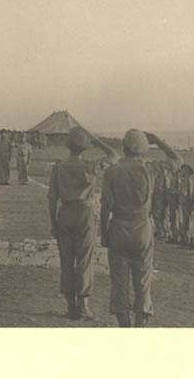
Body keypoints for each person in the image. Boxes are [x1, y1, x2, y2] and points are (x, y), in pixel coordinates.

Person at [100, 130, 182, 327]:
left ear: (124, 147)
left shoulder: (112, 172)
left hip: (118, 227)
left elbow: (105, 207)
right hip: (142, 228)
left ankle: (124, 325)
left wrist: (104, 233)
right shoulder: (151, 169)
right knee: (143, 281)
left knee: (119, 282)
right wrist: (158, 141)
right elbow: (177, 160)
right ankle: (140, 324)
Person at [48, 126, 119, 321]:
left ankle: (70, 306)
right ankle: (83, 305)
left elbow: (51, 199)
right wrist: (96, 140)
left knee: (66, 261)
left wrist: (53, 223)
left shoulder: (59, 168)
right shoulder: (90, 166)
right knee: (84, 261)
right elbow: (114, 156)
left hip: (65, 213)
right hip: (85, 213)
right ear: (85, 147)